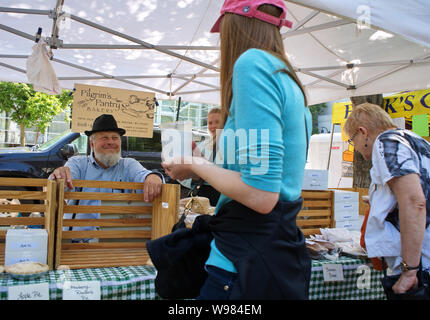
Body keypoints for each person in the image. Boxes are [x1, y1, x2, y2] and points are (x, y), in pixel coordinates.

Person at [162, 0, 312, 300]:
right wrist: (200, 165)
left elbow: (260, 195)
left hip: (243, 260)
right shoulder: (289, 81)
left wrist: (193, 162)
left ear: (233, 27)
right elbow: (259, 178)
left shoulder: (252, 64)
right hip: (274, 253)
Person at [343, 102, 430, 297]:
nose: (355, 147)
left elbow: (415, 202)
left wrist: (410, 269)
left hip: (421, 269)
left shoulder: (387, 141)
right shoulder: (415, 140)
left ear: (363, 132)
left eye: (352, 140)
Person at [50, 114, 164, 240]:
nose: (111, 142)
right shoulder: (78, 163)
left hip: (114, 242)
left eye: (115, 138)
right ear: (92, 144)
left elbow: (143, 175)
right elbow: (61, 181)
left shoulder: (128, 165)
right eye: (104, 138)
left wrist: (153, 177)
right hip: (77, 242)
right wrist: (60, 176)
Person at [190, 108, 222, 206]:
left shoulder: (232, 145)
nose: (212, 126)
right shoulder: (202, 145)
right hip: (202, 194)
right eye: (210, 123)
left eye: (217, 122)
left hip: (221, 196)